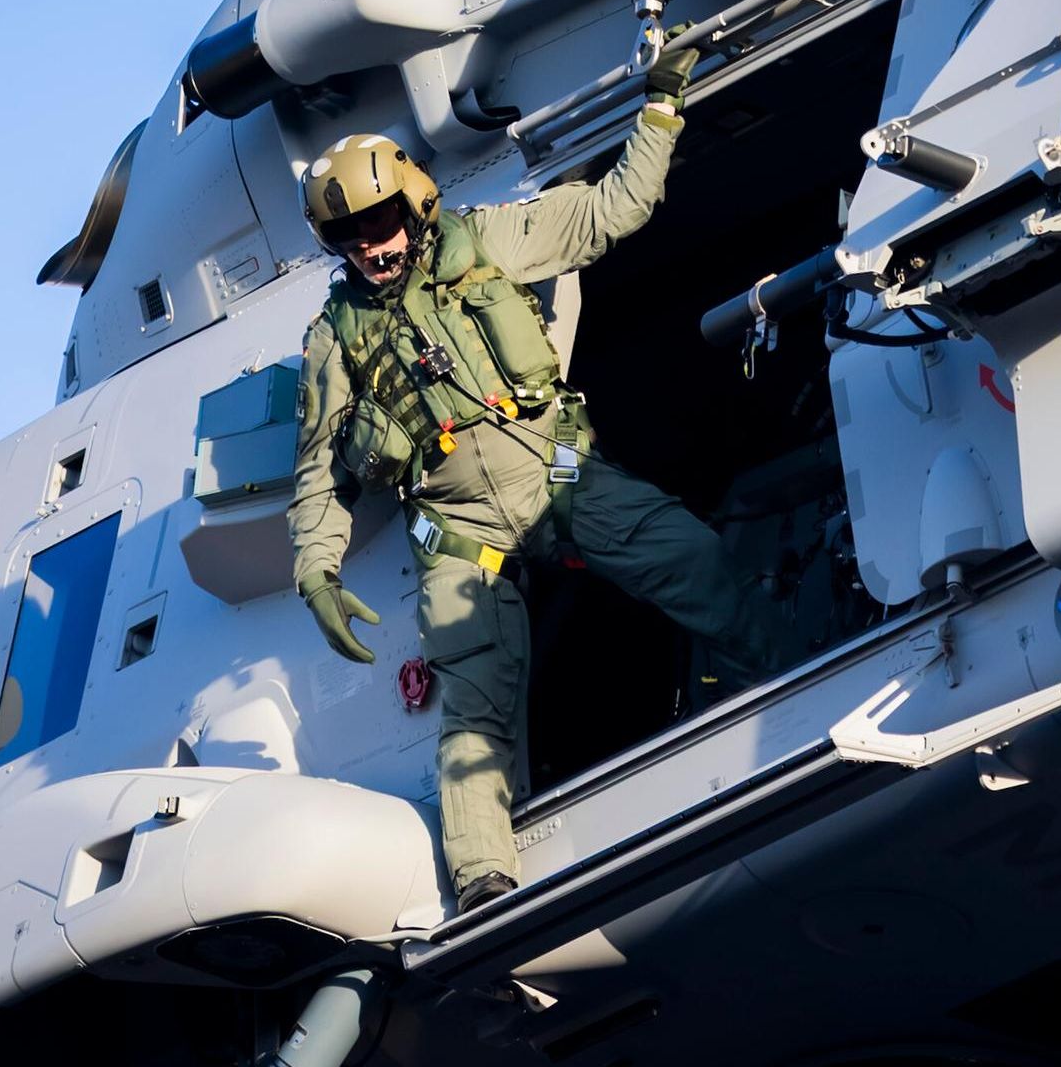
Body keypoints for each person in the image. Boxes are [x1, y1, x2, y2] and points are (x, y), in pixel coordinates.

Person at [287, 49, 779, 913]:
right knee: (473, 706)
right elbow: (323, 466)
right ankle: (483, 878)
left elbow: (610, 213)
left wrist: (661, 110)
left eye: (382, 222)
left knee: (700, 565)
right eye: (352, 236)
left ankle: (773, 706)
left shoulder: (488, 241)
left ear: (414, 205)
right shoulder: (334, 338)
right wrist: (315, 567)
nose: (372, 245)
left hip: (559, 475)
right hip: (458, 533)